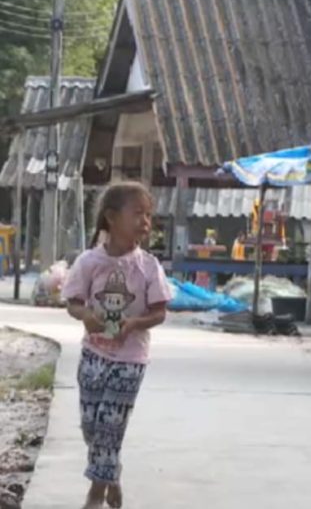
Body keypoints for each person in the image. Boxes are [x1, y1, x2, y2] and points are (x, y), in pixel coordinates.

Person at [62, 182, 172, 509]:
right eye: (137, 213)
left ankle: (95, 493)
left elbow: (160, 312)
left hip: (131, 359)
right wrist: (85, 315)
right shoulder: (89, 262)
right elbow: (72, 302)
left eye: (149, 215)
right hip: (93, 354)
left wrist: (135, 324)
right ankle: (112, 474)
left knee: (111, 425)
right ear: (111, 217)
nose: (146, 221)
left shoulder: (149, 266)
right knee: (92, 427)